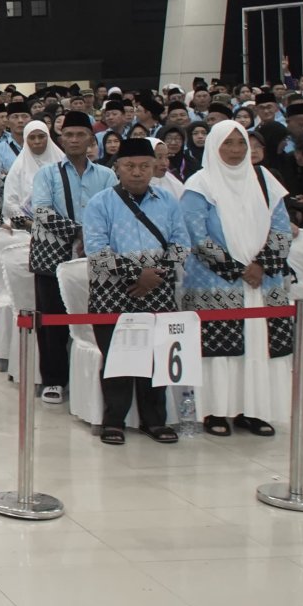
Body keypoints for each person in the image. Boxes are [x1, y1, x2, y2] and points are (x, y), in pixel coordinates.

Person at [180, 120, 294, 437]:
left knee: (259, 346)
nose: (235, 149)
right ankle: (215, 411)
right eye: (227, 143)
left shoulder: (265, 180)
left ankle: (253, 410)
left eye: (241, 142)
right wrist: (237, 269)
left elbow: (282, 228)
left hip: (263, 282)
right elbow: (196, 236)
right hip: (217, 282)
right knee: (219, 351)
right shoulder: (200, 184)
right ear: (213, 146)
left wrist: (261, 265)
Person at [83, 137, 190, 445]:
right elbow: (96, 251)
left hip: (158, 290)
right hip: (112, 293)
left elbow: (182, 244)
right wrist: (137, 275)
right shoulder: (100, 202)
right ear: (117, 168)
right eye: (130, 166)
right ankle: (113, 421)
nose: (137, 172)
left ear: (155, 167)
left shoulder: (168, 201)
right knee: (118, 359)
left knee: (156, 358)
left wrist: (155, 276)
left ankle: (154, 421)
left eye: (144, 166)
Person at [27, 110, 115, 404]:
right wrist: (79, 232)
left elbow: (112, 212)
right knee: (52, 319)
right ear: (61, 139)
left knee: (96, 317)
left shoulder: (106, 175)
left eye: (80, 135)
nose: (74, 140)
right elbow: (41, 211)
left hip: (95, 255)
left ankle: (96, 378)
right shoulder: (47, 174)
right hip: (53, 256)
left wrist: (92, 238)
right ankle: (53, 380)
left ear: (91, 139)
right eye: (68, 135)